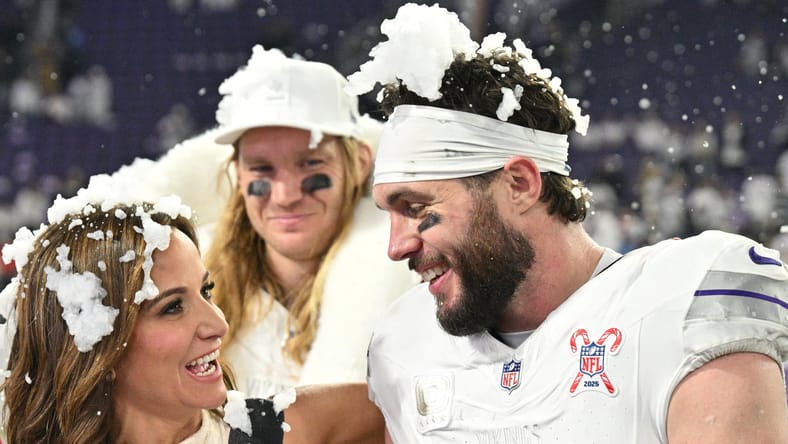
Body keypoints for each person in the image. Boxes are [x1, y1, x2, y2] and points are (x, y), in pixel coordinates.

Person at [346, 3, 788, 443]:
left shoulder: (680, 303)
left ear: (519, 184)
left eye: (417, 208)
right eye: (390, 213)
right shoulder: (402, 344)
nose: (396, 246)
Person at [0, 175, 385, 443]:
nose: (218, 324)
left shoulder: (294, 429)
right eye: (172, 308)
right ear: (94, 341)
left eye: (207, 291)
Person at [201, 45, 416, 395]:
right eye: (262, 169)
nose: (285, 196)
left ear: (360, 163)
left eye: (310, 164)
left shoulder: (413, 282)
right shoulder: (188, 280)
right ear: (238, 175)